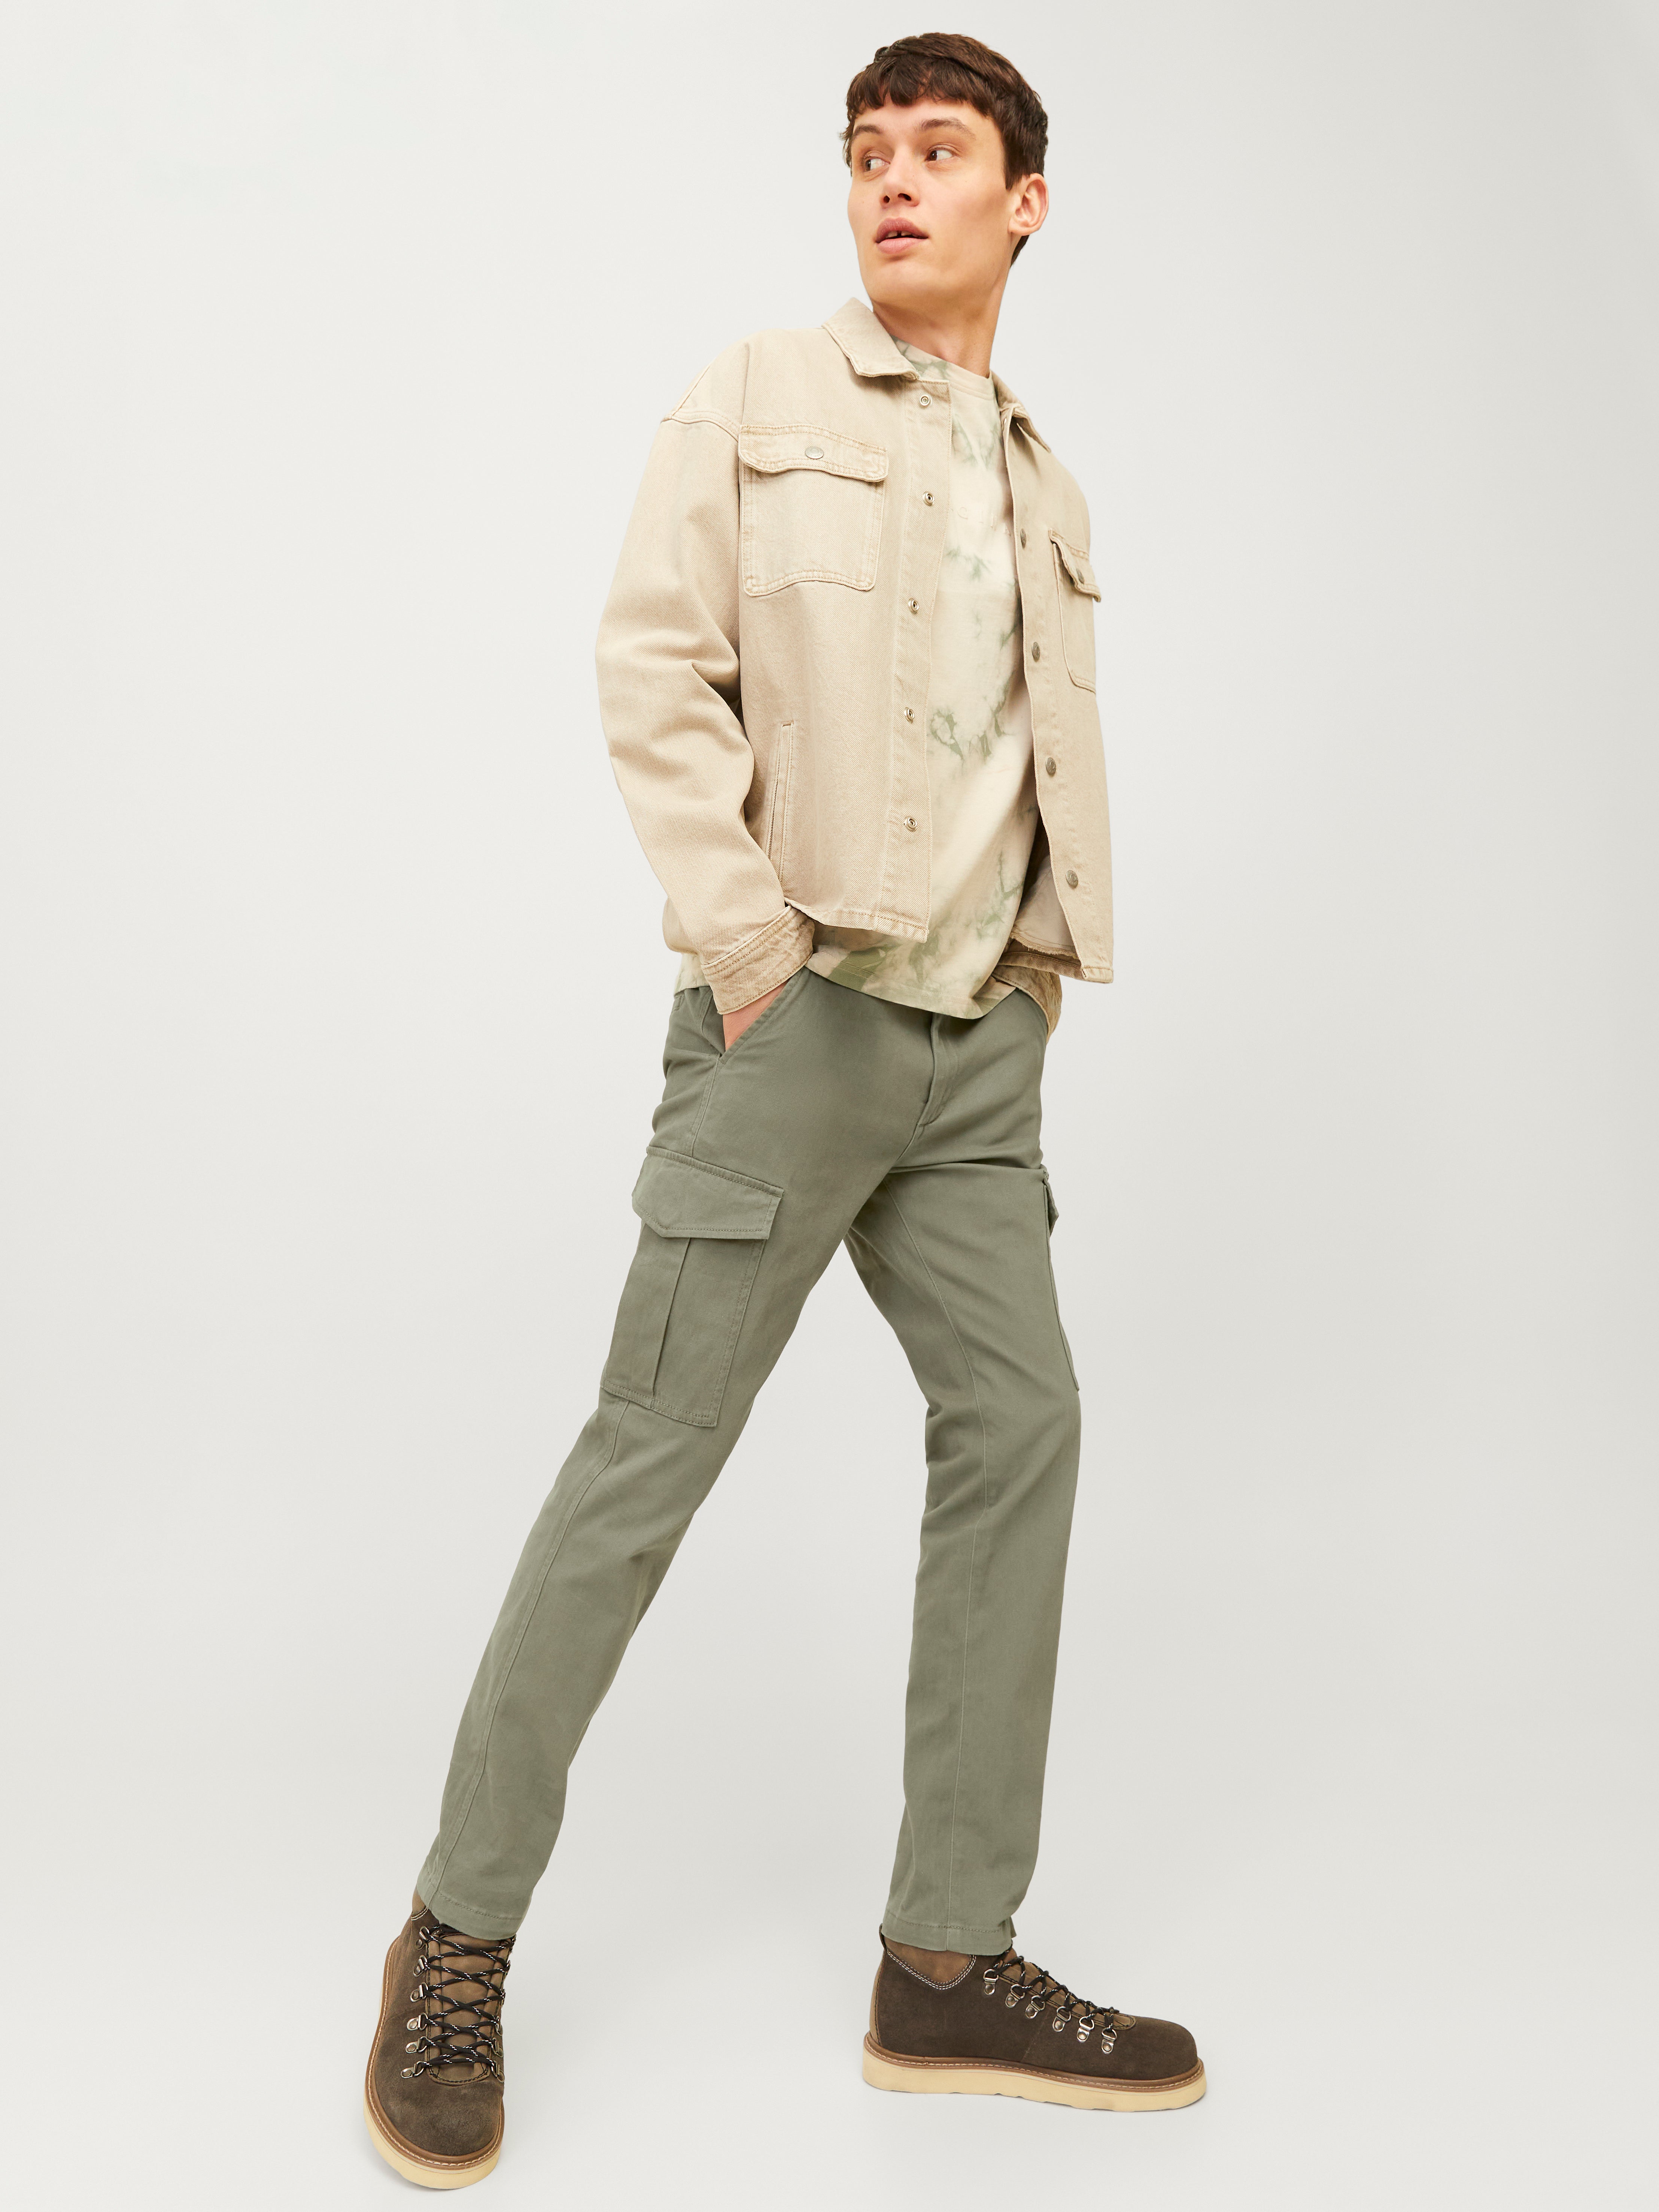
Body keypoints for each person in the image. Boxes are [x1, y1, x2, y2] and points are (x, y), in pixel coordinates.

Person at [363, 31, 1205, 2188]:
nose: (891, 182)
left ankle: (947, 1957)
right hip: (795, 1021)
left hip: (975, 1062)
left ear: (1026, 202)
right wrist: (747, 949)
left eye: (939, 150)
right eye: (864, 153)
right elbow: (654, 668)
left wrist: (1032, 977)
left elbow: (1028, 754)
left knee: (1024, 1428)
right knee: (644, 1467)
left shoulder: (1051, 486)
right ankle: (455, 1937)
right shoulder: (753, 399)